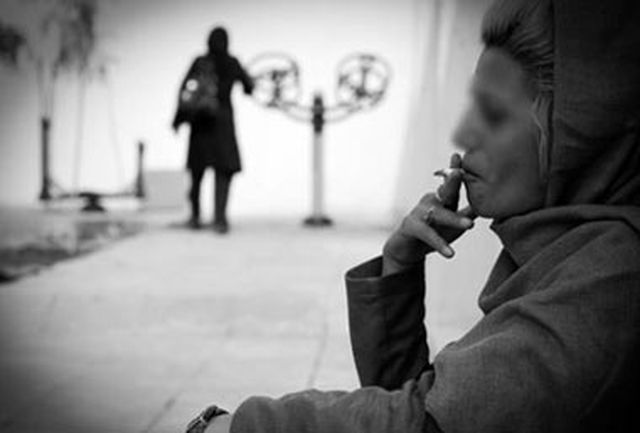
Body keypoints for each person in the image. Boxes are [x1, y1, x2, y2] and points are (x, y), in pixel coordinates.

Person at [187, 0, 640, 431]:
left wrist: (239, 426)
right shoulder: (567, 251)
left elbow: (425, 423)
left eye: (493, 113)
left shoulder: (615, 277)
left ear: (579, 133)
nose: (462, 133)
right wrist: (399, 271)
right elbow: (436, 406)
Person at [173, 26, 254, 234]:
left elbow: (185, 91)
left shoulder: (200, 62)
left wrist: (178, 119)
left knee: (197, 173)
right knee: (223, 173)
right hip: (223, 124)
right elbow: (249, 87)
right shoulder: (232, 62)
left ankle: (195, 216)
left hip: (200, 124)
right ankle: (220, 219)